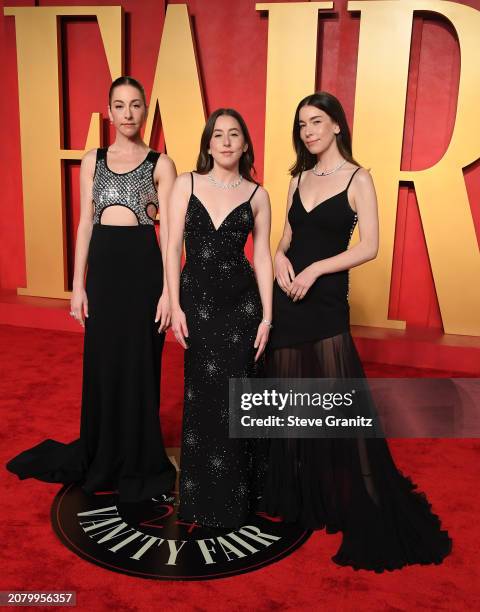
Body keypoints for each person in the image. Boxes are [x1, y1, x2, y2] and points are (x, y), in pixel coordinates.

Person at [260, 92, 452, 571]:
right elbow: (284, 238)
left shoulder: (358, 178)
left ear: (337, 126)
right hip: (288, 297)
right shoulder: (297, 178)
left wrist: (316, 269)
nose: (308, 131)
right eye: (302, 124)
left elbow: (369, 246)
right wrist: (280, 257)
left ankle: (351, 493)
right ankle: (303, 494)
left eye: (317, 122)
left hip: (323, 300)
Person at [6, 76, 176, 503]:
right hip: (103, 270)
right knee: (103, 363)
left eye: (136, 105)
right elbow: (85, 223)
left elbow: (172, 234)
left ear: (144, 111)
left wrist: (169, 293)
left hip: (143, 271)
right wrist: (77, 285)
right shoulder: (93, 159)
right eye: (120, 106)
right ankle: (104, 451)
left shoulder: (161, 163)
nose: (128, 114)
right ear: (110, 112)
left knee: (141, 362)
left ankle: (137, 454)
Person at [166, 108, 273, 529]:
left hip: (241, 307)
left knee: (236, 395)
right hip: (197, 302)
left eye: (234, 135)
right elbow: (173, 246)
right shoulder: (185, 183)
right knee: (201, 394)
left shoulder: (257, 194)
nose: (226, 141)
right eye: (218, 135)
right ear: (208, 144)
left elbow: (262, 256)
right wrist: (174, 304)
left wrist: (266, 317)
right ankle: (199, 498)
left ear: (245, 144)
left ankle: (235, 499)